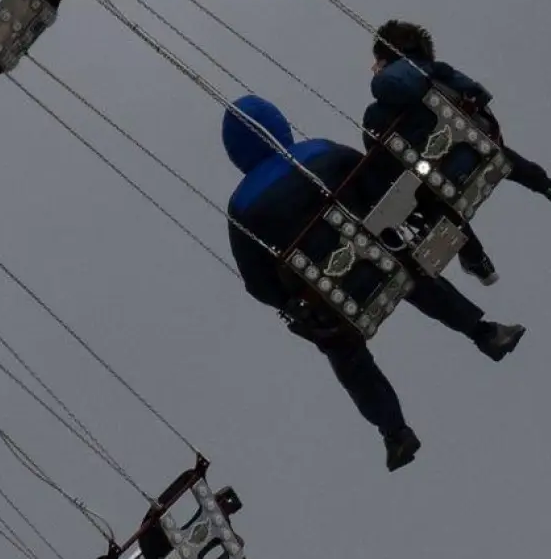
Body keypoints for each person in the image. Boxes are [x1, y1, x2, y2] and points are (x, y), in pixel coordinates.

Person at [222, 94, 526, 472]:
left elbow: (259, 285)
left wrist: (294, 294)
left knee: (344, 351)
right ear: (280, 124)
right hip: (379, 259)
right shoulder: (321, 151)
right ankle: (484, 332)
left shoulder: (241, 209)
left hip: (333, 300)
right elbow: (376, 185)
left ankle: (394, 432)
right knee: (410, 271)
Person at [362, 19, 551, 286]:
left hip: (435, 177)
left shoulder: (381, 107)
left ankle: (476, 259)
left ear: (386, 59)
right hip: (474, 151)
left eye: (376, 62)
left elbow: (377, 154)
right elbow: (478, 95)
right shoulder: (441, 73)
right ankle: (549, 186)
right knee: (497, 154)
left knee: (430, 203)